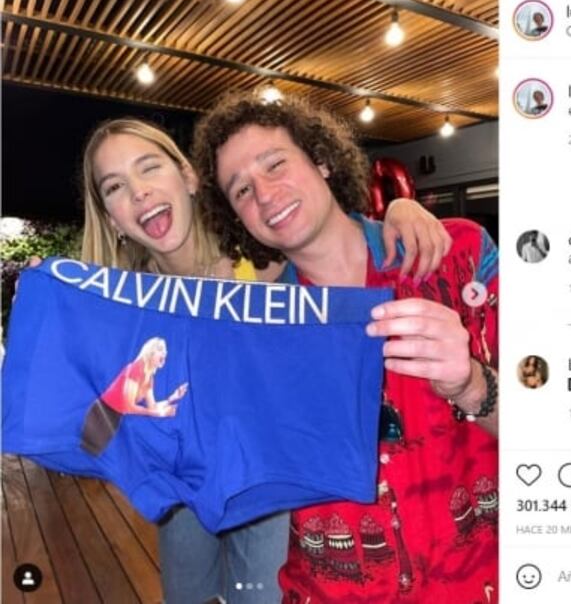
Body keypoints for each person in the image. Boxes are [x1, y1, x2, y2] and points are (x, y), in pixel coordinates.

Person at [74, 117, 452, 603]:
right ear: (109, 216)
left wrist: (400, 210)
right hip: (183, 482)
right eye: (115, 186)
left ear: (188, 177)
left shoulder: (261, 262)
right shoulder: (124, 306)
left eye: (149, 167)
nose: (139, 191)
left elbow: (332, 237)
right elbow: (93, 431)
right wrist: (48, 318)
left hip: (269, 480)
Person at [192, 92, 499, 602]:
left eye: (275, 164)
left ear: (321, 160)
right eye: (241, 189)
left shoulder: (457, 257)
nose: (264, 194)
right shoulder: (263, 337)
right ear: (237, 218)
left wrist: (472, 384)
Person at [80, 336, 187, 456]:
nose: (165, 352)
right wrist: (159, 413)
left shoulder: (149, 378)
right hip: (101, 413)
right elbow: (129, 406)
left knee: (92, 455)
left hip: (114, 417)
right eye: (161, 349)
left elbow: (152, 406)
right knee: (85, 455)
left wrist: (171, 398)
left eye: (165, 350)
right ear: (151, 352)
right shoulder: (136, 368)